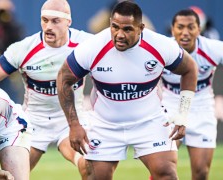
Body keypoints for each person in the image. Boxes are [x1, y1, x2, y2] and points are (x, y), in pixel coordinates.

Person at [56, 1, 198, 179]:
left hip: (149, 121)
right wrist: (74, 125)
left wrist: (182, 115)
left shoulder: (160, 45)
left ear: (141, 28)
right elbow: (63, 78)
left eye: (128, 29)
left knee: (166, 173)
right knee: (95, 176)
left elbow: (190, 68)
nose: (119, 35)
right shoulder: (92, 47)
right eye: (115, 27)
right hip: (105, 124)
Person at [0, 0, 93, 178]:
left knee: (90, 166)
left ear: (69, 22)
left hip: (72, 119)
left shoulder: (87, 44)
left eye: (55, 21)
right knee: (12, 176)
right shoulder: (23, 49)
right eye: (44, 20)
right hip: (34, 122)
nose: (48, 26)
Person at [161, 9, 223, 180]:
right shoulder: (162, 49)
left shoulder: (213, 48)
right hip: (169, 106)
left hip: (202, 107)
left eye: (191, 27)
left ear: (199, 29)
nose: (185, 32)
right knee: (163, 168)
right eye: (180, 27)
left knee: (201, 172)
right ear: (172, 29)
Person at [88, 0, 155, 34]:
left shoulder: (138, 16)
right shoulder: (110, 11)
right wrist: (109, 11)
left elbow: (150, 32)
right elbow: (93, 27)